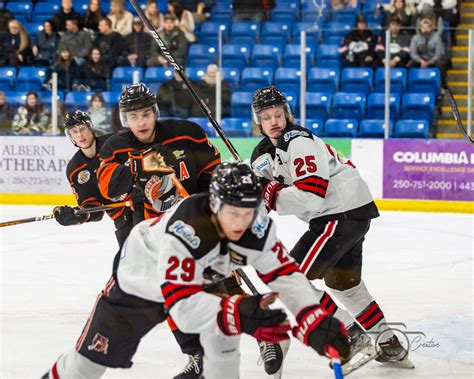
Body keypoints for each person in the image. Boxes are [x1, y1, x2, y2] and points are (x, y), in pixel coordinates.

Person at [42, 161, 350, 379]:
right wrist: (238, 311)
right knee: (86, 368)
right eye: (233, 213)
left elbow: (285, 274)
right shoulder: (187, 226)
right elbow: (181, 308)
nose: (242, 222)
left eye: (249, 210)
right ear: (214, 203)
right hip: (139, 284)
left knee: (224, 350)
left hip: (198, 284)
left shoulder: (255, 222)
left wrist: (312, 318)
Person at [250, 86, 414, 369]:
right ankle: (390, 345)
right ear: (258, 121)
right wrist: (257, 202)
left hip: (339, 214)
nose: (273, 120)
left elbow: (311, 197)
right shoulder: (265, 153)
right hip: (349, 214)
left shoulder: (297, 140)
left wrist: (269, 192)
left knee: (288, 277)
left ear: (287, 115)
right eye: (266, 117)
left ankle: (350, 336)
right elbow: (267, 199)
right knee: (345, 286)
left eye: (278, 114)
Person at [53, 111, 118, 234]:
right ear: (70, 136)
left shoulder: (114, 143)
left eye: (82, 129)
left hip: (147, 204)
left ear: (91, 128)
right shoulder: (74, 169)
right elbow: (95, 210)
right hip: (121, 214)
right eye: (74, 131)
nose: (80, 135)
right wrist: (77, 216)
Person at [408, 18, 447, 88]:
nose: (425, 29)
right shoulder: (415, 38)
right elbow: (413, 53)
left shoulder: (437, 37)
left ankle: (441, 86)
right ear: (420, 28)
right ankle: (410, 85)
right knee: (411, 64)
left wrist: (429, 62)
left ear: (431, 28)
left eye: (427, 27)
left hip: (433, 60)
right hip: (420, 60)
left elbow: (438, 54)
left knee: (441, 64)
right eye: (423, 27)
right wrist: (421, 61)